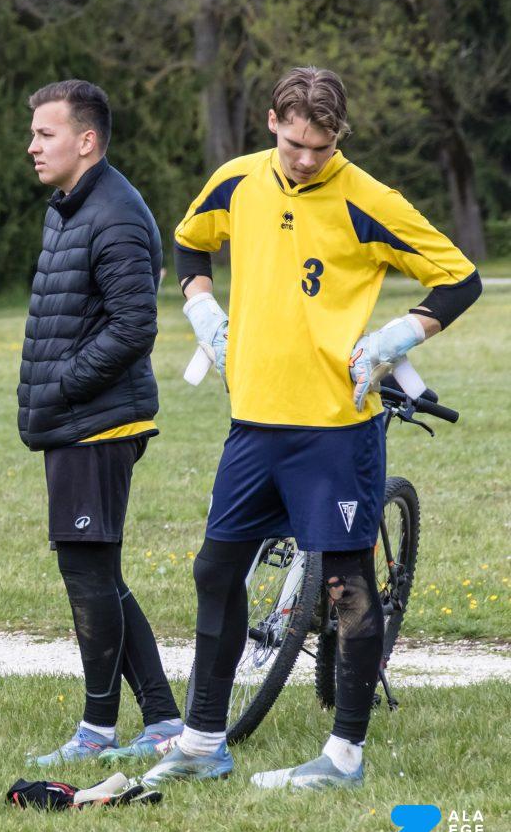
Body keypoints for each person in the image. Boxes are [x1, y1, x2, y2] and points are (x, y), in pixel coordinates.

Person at [145, 66, 480, 791]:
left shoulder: (368, 198)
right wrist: (202, 311)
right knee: (215, 571)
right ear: (272, 122)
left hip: (334, 429)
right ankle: (203, 743)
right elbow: (190, 242)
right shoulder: (236, 181)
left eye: (320, 148)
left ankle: (343, 757)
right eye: (294, 143)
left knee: (345, 585)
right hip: (253, 421)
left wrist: (399, 335)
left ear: (339, 138)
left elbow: (460, 278)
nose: (304, 159)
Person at [16, 80, 182, 767]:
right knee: (98, 573)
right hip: (77, 419)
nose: (32, 146)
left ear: (86, 141)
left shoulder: (114, 213)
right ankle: (164, 720)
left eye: (45, 133)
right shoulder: (71, 207)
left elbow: (133, 326)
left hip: (97, 422)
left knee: (87, 575)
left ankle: (97, 731)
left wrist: (61, 385)